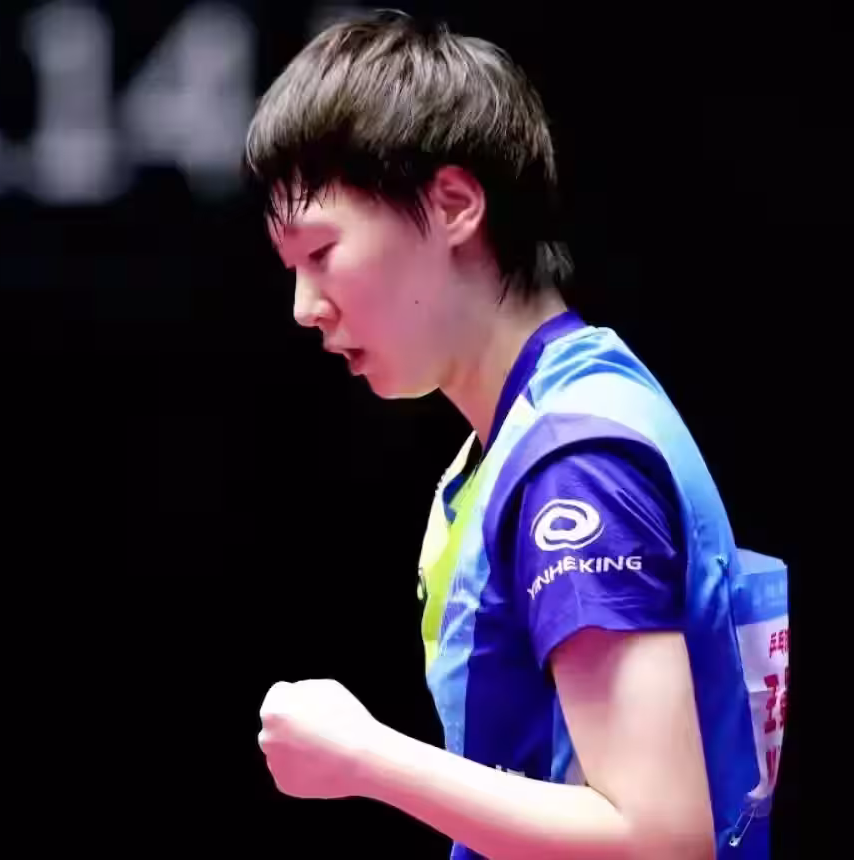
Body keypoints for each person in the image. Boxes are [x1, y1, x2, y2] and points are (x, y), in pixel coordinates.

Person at [248, 10, 788, 859]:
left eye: (321, 252)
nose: (304, 308)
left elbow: (659, 841)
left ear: (454, 205)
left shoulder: (576, 464)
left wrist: (364, 758)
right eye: (291, 269)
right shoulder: (525, 434)